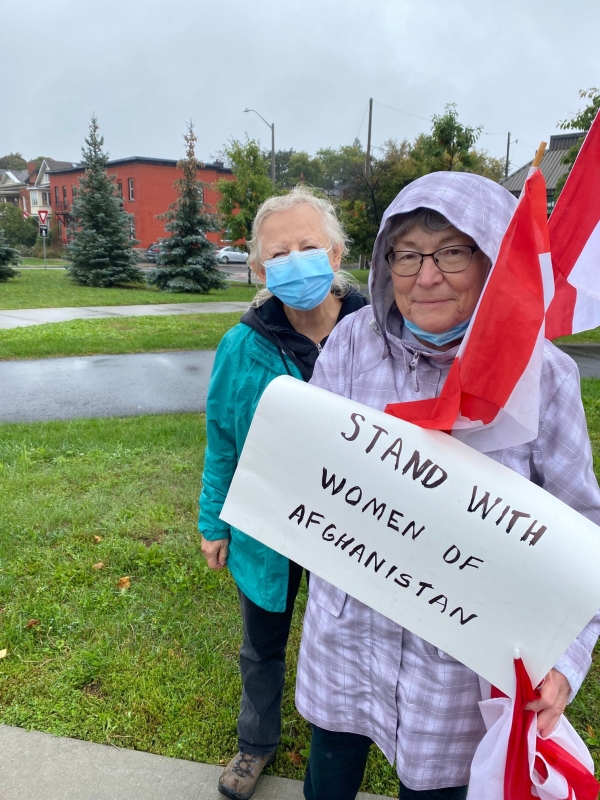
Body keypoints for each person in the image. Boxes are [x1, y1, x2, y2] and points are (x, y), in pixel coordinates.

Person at [295, 171, 600, 800]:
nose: (425, 275)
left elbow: (582, 533)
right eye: (406, 254)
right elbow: (310, 467)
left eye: (451, 251)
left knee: (432, 789)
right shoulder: (352, 345)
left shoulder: (542, 375)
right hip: (350, 633)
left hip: (459, 661)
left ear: (490, 258)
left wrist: (567, 661)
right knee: (329, 770)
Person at [198, 186, 368, 800]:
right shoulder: (243, 345)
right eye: (279, 253)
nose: (295, 260)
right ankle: (255, 744)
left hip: (354, 528)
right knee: (262, 642)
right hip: (268, 522)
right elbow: (223, 438)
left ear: (337, 251)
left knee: (351, 639)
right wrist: (214, 521)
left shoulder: (378, 334)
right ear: (258, 268)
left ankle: (353, 739)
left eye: (308, 246)